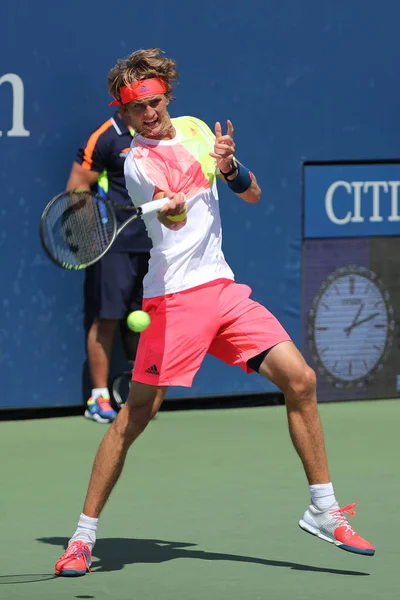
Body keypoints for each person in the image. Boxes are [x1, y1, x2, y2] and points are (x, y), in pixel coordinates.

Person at [55, 48, 375, 576]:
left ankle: (323, 508)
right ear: (125, 113)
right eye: (139, 109)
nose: (150, 114)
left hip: (223, 291)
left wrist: (229, 165)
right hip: (174, 300)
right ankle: (82, 538)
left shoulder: (199, 130)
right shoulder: (136, 163)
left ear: (166, 97)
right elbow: (174, 223)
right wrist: (173, 207)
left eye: (156, 102)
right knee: (135, 419)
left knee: (301, 380)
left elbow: (251, 194)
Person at [66, 109, 151, 423]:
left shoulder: (159, 134)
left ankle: (134, 393)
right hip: (113, 243)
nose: (147, 108)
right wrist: (92, 235)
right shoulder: (105, 136)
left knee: (145, 320)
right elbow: (78, 186)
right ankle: (98, 398)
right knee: (107, 319)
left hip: (154, 242)